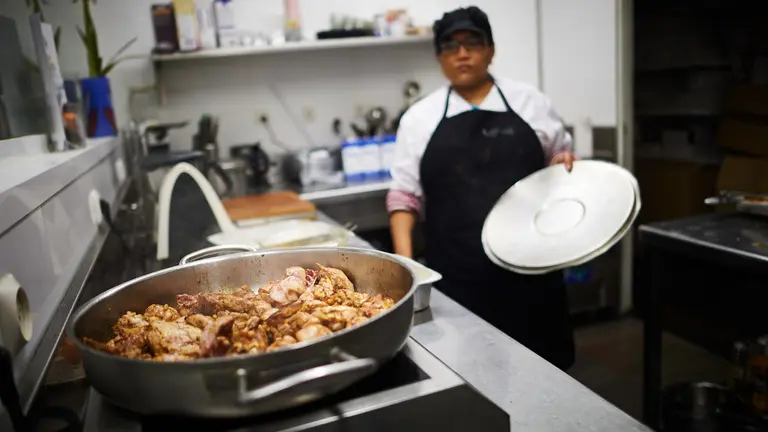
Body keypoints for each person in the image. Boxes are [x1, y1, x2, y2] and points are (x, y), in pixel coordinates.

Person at [387, 6, 576, 370]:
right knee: (474, 374)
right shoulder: (419, 119)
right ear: (439, 57)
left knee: (547, 372)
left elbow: (559, 157)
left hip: (534, 270)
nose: (462, 52)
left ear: (491, 49)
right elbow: (403, 197)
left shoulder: (530, 103)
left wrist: (563, 162)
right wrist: (408, 271)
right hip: (458, 278)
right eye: (450, 46)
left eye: (472, 42)